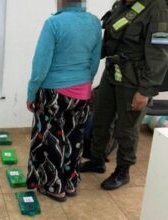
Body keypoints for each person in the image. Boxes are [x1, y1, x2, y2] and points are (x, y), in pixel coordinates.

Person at [81, 0, 168, 190]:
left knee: (127, 127)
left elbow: (159, 55)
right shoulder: (121, 5)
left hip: (134, 81)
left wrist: (145, 91)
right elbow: (111, 39)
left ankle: (123, 171)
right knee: (101, 119)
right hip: (112, 73)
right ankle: (97, 160)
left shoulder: (157, 8)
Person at [26, 0, 101, 202]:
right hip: (82, 91)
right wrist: (86, 83)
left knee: (50, 140)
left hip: (54, 92)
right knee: (74, 139)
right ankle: (69, 184)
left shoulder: (53, 23)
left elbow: (40, 64)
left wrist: (31, 93)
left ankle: (54, 186)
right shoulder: (94, 22)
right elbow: (94, 61)